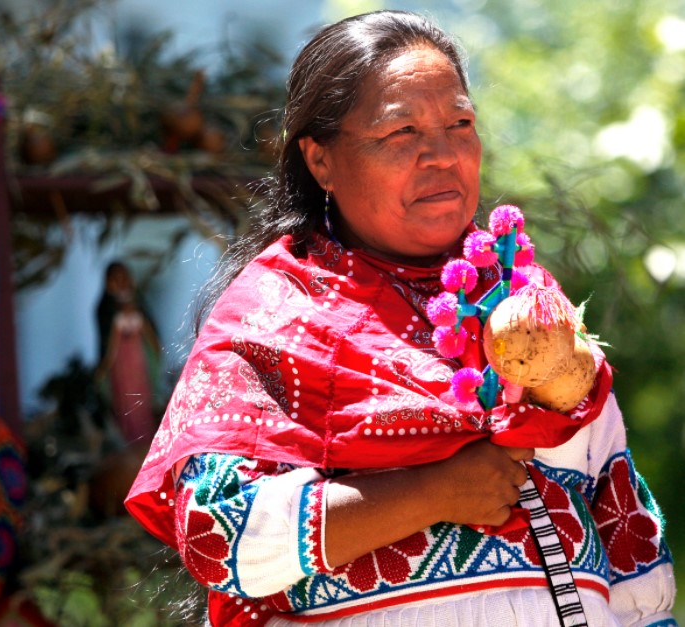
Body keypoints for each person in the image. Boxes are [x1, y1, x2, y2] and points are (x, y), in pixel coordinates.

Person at [125, 11, 677, 626]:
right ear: (321, 161)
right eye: (401, 132)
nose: (442, 155)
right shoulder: (273, 317)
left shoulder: (526, 297)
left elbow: (624, 530)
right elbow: (216, 531)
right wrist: (433, 492)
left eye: (460, 124)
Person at [95, 261, 159, 444]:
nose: (121, 282)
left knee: (142, 402)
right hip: (120, 365)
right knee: (124, 403)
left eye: (124, 277)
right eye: (116, 278)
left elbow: (152, 336)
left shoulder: (139, 303)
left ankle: (145, 439)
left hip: (138, 363)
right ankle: (127, 442)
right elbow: (106, 340)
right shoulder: (106, 308)